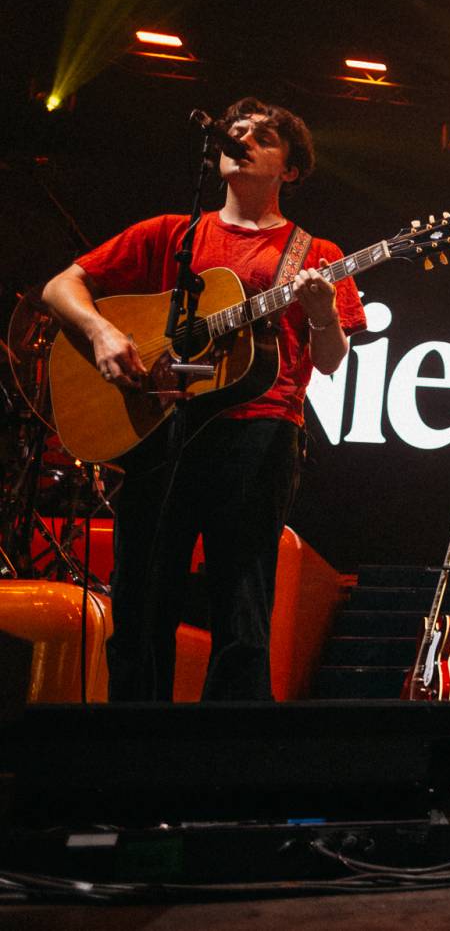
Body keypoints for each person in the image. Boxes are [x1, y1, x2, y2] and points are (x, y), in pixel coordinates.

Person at [42, 98, 366, 700]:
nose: (240, 137)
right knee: (141, 598)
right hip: (160, 428)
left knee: (241, 603)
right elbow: (61, 286)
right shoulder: (174, 234)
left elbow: (329, 359)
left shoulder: (315, 254)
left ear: (290, 171)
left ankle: (227, 754)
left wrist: (323, 316)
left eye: (262, 136)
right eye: (235, 130)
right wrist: (104, 332)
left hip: (260, 431)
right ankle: (133, 749)